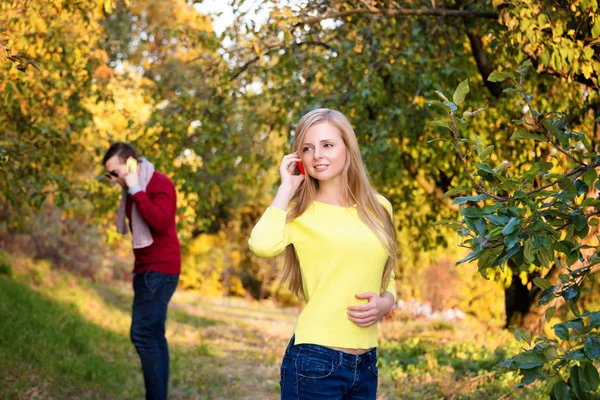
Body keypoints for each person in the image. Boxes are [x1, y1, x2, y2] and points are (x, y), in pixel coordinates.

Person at [248, 109, 397, 399]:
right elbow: (261, 245)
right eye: (307, 148)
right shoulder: (296, 212)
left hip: (366, 363)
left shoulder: (379, 208)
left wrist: (385, 303)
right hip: (314, 360)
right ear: (298, 157)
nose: (317, 155)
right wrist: (286, 189)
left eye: (327, 145)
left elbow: (388, 275)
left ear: (347, 148)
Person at [103, 142, 180, 400]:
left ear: (131, 164)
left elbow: (160, 222)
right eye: (109, 174)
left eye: (116, 172)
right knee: (154, 334)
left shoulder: (159, 184)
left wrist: (136, 187)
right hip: (147, 270)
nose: (114, 179)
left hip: (161, 269)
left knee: (143, 333)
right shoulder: (131, 190)